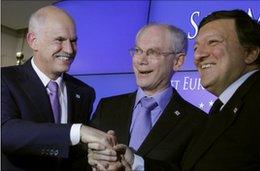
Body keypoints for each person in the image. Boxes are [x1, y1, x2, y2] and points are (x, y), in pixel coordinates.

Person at [181, 9, 260, 170]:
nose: (199, 55)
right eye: (196, 47)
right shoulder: (222, 108)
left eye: (213, 42)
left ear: (250, 53)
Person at [1, 6, 116, 171]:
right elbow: (5, 132)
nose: (69, 50)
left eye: (73, 41)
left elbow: (75, 152)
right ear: (33, 41)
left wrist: (95, 155)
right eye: (60, 40)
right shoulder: (5, 79)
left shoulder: (84, 92)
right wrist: (77, 131)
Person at [87, 23, 208, 170]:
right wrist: (91, 161)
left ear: (178, 61)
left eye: (153, 52)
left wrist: (137, 164)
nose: (141, 60)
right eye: (138, 51)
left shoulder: (197, 122)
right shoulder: (107, 107)